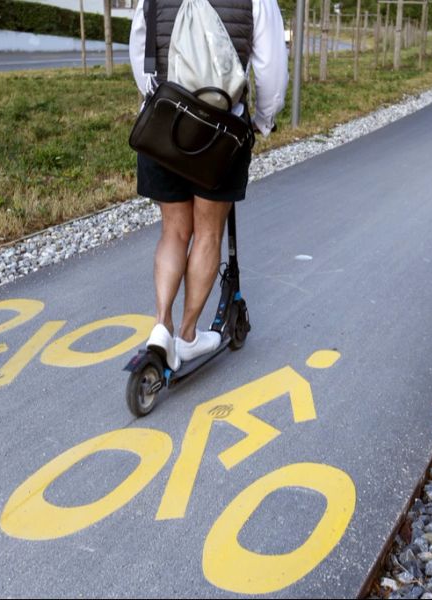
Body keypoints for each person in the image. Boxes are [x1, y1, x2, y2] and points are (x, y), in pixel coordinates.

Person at [129, 0, 288, 371]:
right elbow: (270, 69)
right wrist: (263, 120)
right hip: (220, 132)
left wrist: (162, 103)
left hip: (165, 127)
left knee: (173, 231)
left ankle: (161, 326)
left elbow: (141, 55)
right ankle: (186, 336)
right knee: (207, 233)